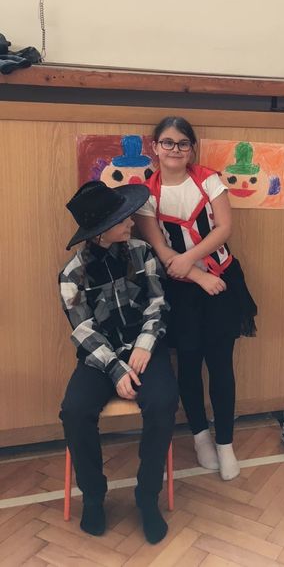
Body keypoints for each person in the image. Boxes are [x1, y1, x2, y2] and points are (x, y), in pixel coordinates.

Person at [134, 116, 257, 481]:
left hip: (221, 280)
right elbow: (160, 248)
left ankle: (225, 443)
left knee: (221, 364)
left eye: (183, 143)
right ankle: (200, 436)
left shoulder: (208, 180)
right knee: (188, 364)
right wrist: (197, 275)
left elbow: (224, 228)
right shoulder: (147, 194)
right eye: (168, 142)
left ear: (191, 148)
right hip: (183, 287)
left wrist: (193, 261)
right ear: (155, 147)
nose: (175, 149)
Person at [59, 180, 178, 544]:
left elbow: (158, 304)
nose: (131, 222)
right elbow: (83, 329)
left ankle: (147, 495)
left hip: (146, 349)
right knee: (74, 411)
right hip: (100, 358)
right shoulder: (72, 274)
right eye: (123, 218)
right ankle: (93, 496)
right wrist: (115, 368)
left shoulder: (143, 253)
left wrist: (144, 346)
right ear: (101, 230)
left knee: (163, 402)